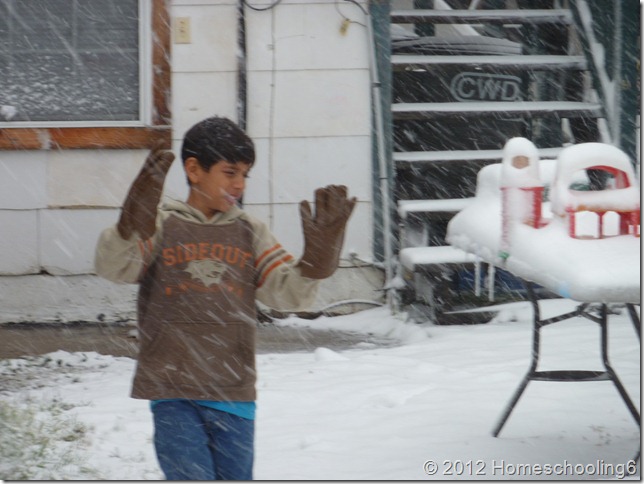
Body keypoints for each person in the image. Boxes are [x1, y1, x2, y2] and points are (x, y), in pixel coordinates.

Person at [94, 116, 356, 480]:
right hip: (173, 387)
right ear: (194, 170)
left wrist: (317, 261)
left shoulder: (249, 231)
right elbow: (114, 268)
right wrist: (129, 229)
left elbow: (288, 295)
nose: (239, 184)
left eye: (245, 174)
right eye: (230, 172)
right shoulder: (161, 225)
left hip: (233, 390)